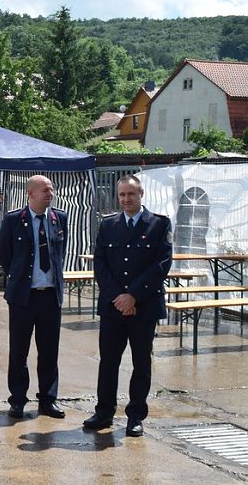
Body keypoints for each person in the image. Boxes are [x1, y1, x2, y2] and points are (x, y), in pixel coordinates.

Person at [83, 174, 172, 437]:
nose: (125, 199)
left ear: (141, 194)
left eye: (130, 194)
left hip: (144, 306)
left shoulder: (158, 224)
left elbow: (161, 265)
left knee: (141, 362)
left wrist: (133, 296)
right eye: (122, 195)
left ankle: (135, 415)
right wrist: (119, 298)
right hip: (113, 306)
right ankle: (104, 412)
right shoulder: (108, 225)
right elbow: (100, 263)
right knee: (108, 362)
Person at [0, 175, 68, 420]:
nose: (50, 194)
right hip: (23, 297)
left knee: (49, 351)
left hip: (50, 296)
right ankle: (17, 400)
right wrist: (20, 278)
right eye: (45, 190)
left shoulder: (60, 219)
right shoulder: (15, 220)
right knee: (19, 350)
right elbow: (5, 256)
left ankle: (48, 399)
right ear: (31, 194)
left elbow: (60, 254)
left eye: (51, 190)